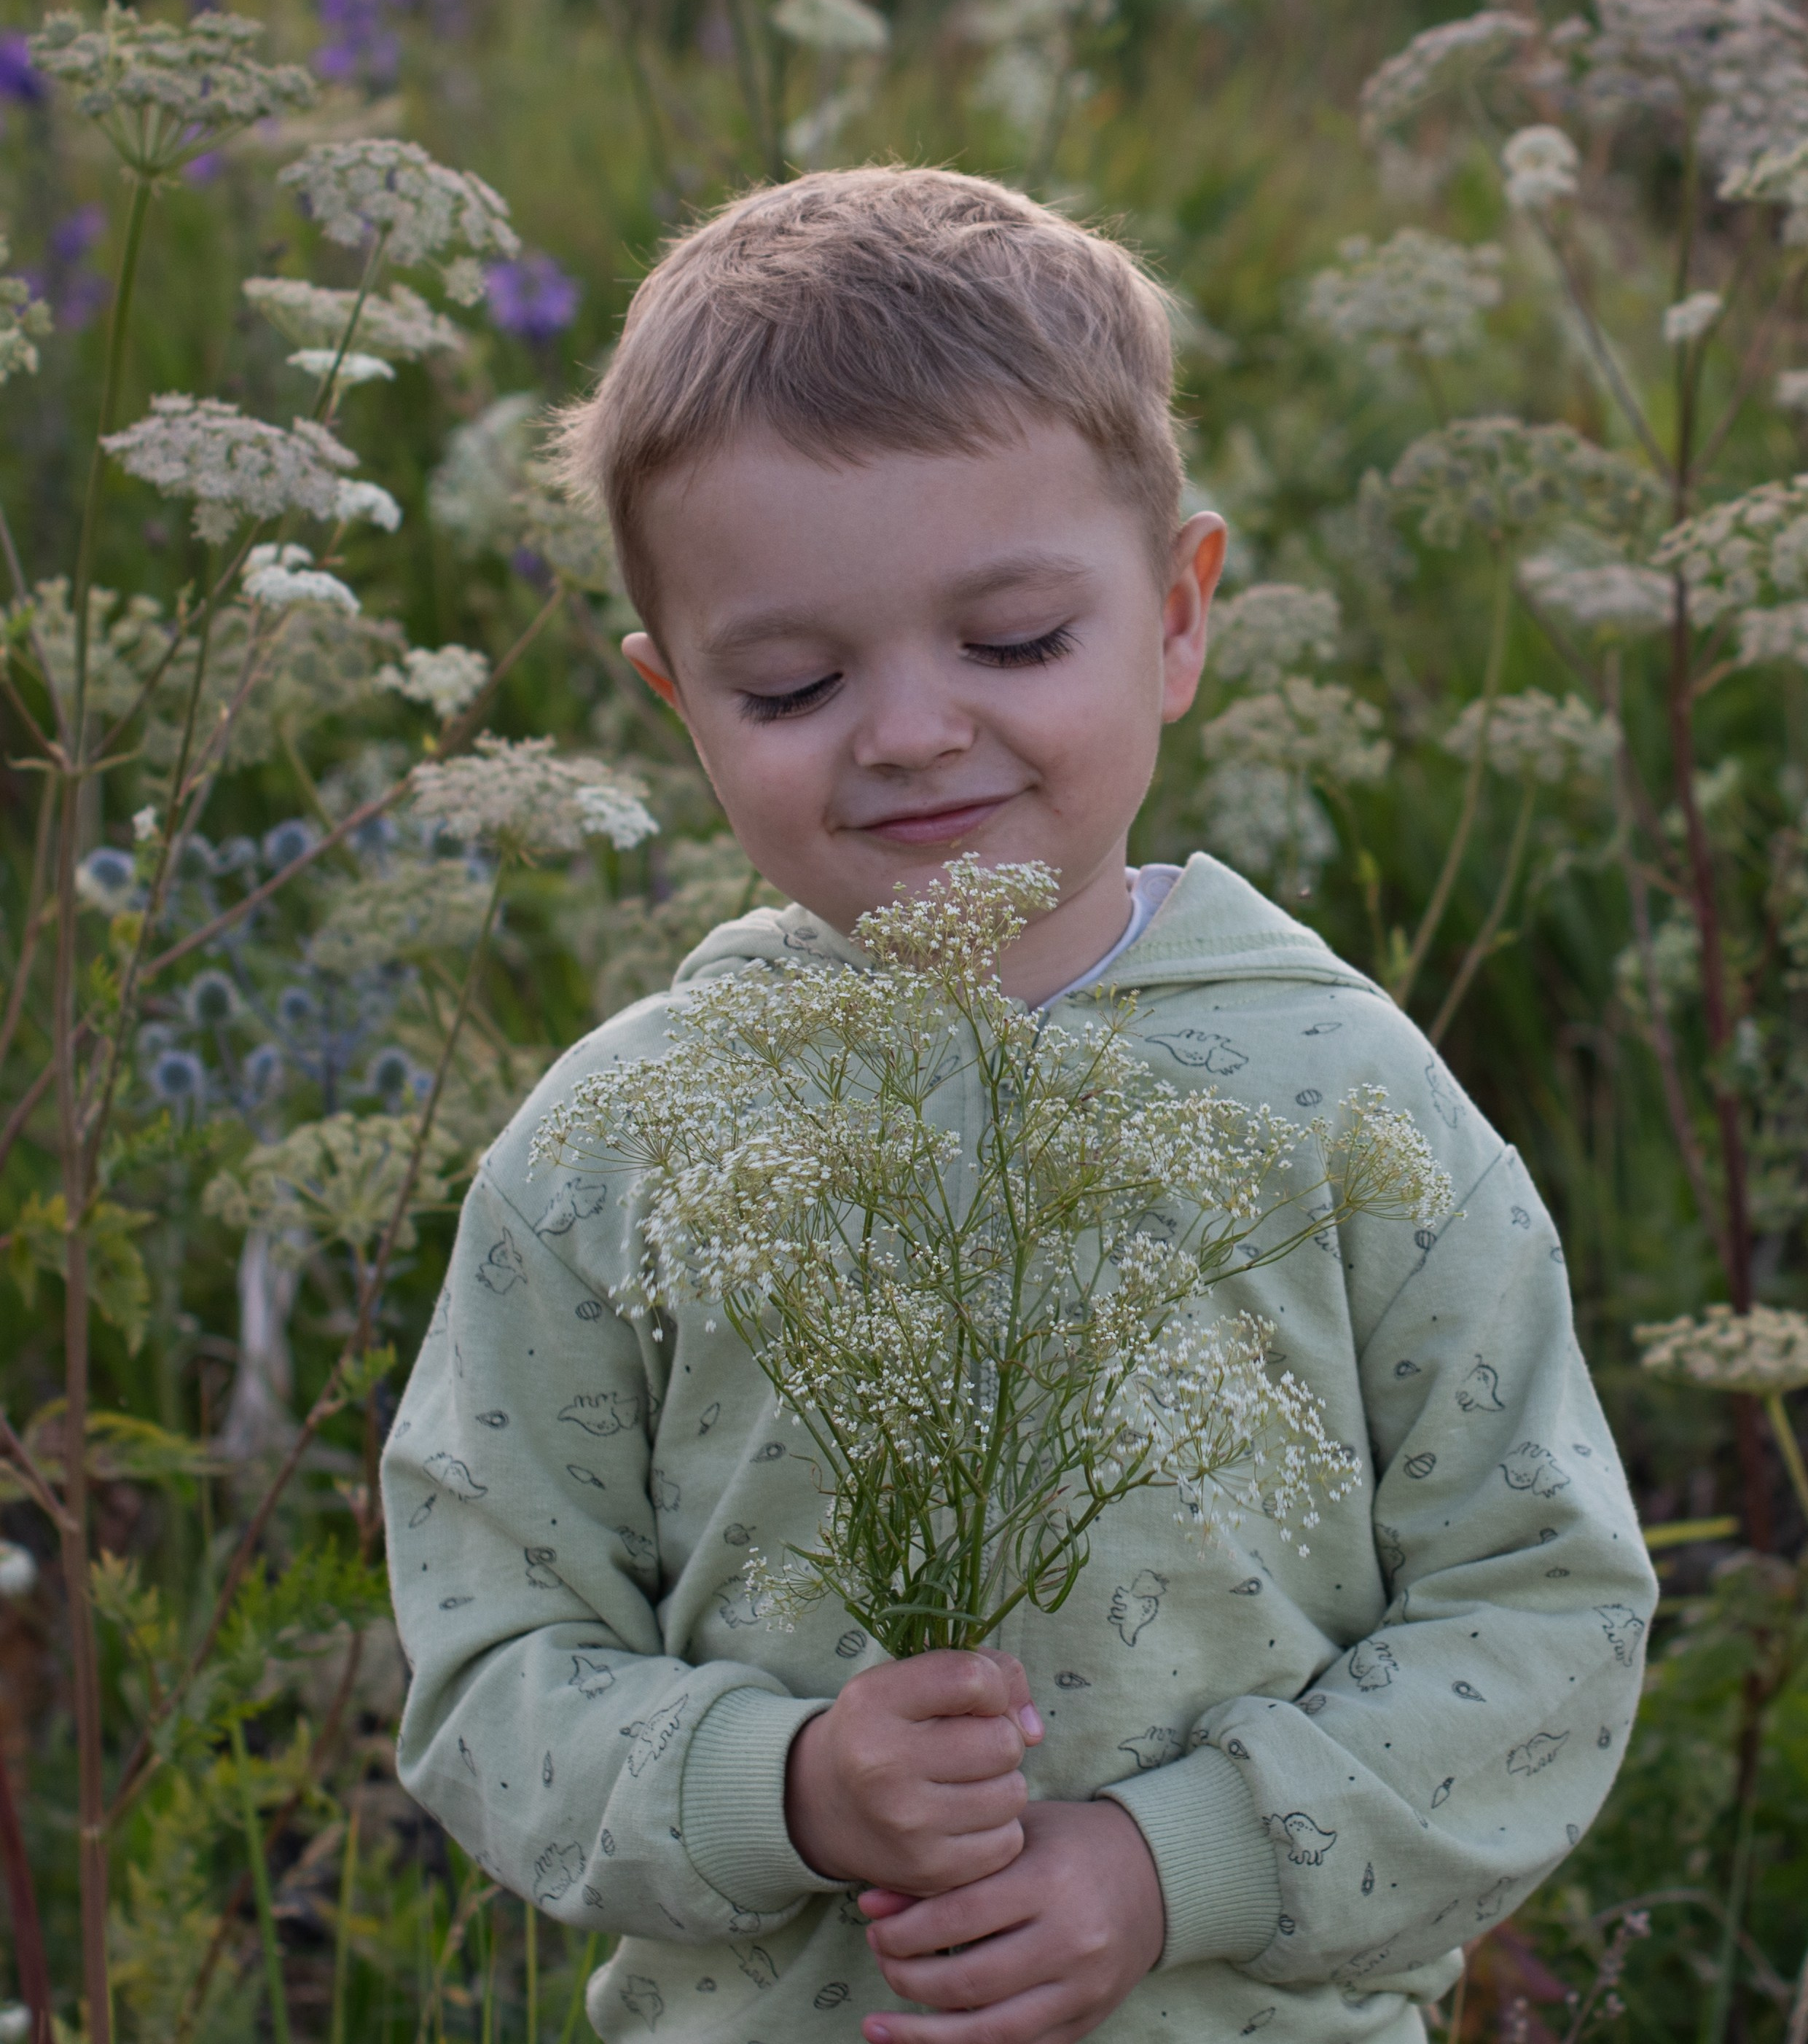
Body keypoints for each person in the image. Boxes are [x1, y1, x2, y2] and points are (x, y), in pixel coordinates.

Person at [380, 168, 1656, 2044]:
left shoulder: (1342, 1095)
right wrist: (788, 1785)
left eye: (1010, 644)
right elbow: (488, 1670)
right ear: (679, 704)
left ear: (1176, 618)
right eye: (795, 680)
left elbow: (1540, 1619)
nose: (907, 731)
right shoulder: (616, 1145)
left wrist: (1171, 1867)